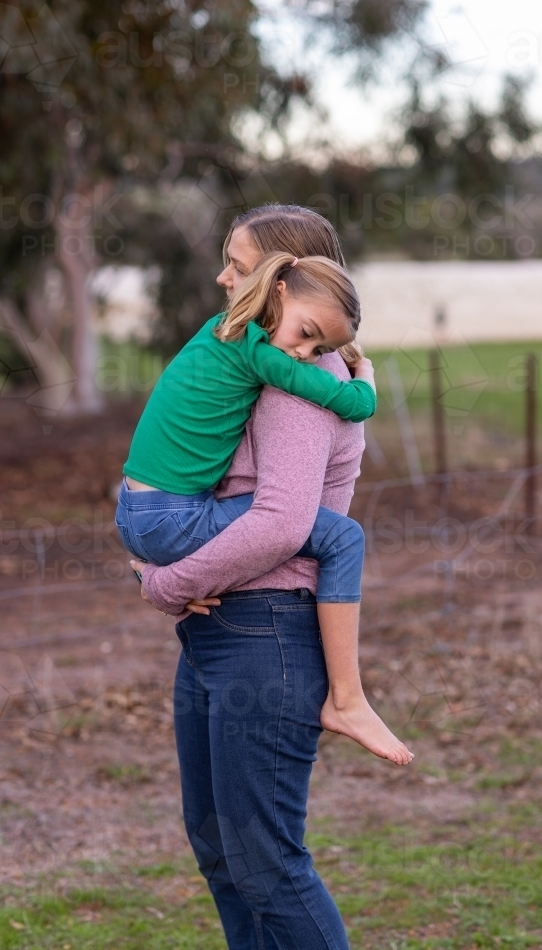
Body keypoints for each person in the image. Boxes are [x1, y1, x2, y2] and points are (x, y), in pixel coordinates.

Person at [130, 204, 412, 949]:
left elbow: (283, 525)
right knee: (222, 848)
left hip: (268, 633)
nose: (222, 275)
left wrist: (164, 584)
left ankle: (350, 700)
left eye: (237, 260)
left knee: (265, 862)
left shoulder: (295, 379)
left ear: (283, 278)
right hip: (222, 629)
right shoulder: (260, 354)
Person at [118, 239, 411, 765]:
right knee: (341, 534)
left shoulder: (220, 330)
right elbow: (353, 405)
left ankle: (348, 698)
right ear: (278, 287)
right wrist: (364, 376)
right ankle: (348, 698)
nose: (304, 355)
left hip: (137, 509)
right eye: (306, 335)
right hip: (172, 522)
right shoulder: (260, 355)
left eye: (319, 349)